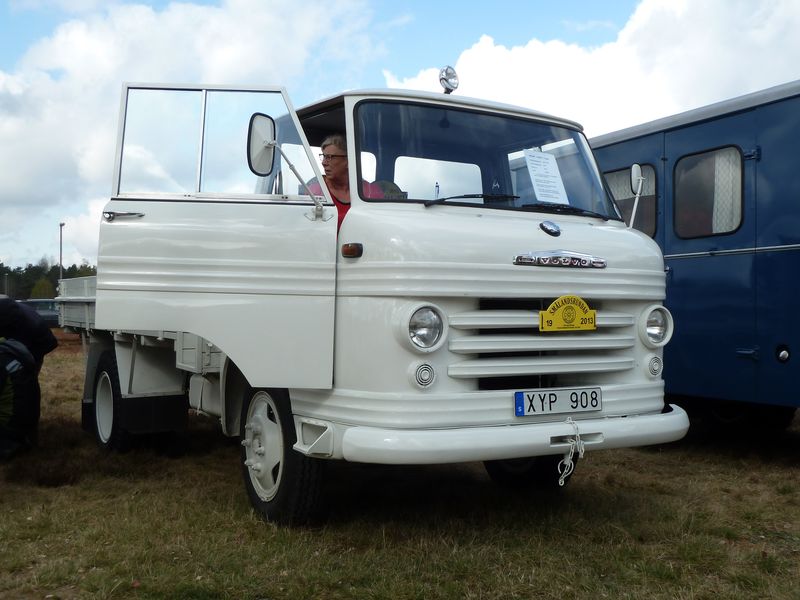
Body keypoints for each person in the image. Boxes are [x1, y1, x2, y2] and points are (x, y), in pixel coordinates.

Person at [0, 296, 58, 459]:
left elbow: (23, 354)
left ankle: (29, 434)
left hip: (37, 344)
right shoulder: (9, 314)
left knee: (27, 383)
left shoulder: (25, 326)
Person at [307, 133, 383, 231]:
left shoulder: (372, 192)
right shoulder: (315, 192)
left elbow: (379, 225)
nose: (323, 163)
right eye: (324, 156)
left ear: (348, 160)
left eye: (330, 157)